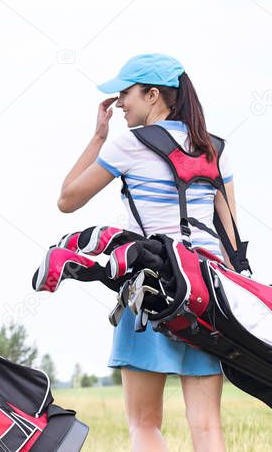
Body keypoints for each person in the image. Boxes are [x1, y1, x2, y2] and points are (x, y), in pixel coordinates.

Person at [57, 53, 238, 452]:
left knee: (144, 425)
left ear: (153, 95)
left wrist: (98, 138)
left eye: (125, 94)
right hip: (208, 291)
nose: (120, 103)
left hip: (152, 289)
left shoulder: (129, 146)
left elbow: (67, 200)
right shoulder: (212, 149)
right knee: (207, 425)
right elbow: (230, 239)